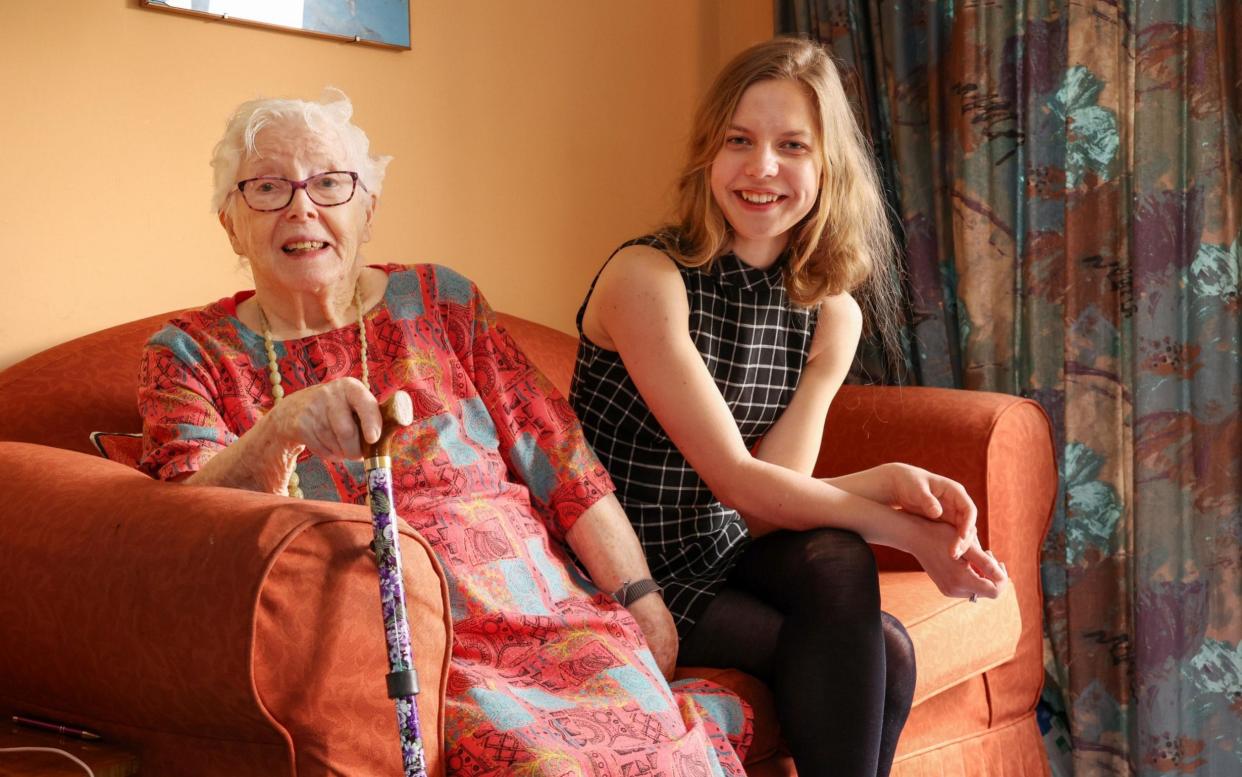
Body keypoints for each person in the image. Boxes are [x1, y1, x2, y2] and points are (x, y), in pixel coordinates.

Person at [137, 90, 752, 775]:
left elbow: (561, 459)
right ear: (230, 222)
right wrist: (280, 430)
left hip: (551, 618)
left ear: (366, 210)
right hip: (408, 648)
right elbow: (188, 530)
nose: (302, 207)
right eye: (268, 187)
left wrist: (641, 600)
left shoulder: (441, 302)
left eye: (330, 183)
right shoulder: (190, 354)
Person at [570, 37, 1010, 776]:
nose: (762, 167)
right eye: (739, 141)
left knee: (852, 588)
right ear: (708, 153)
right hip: (621, 573)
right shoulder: (646, 278)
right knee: (884, 646)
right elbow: (736, 480)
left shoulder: (831, 313)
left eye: (792, 145)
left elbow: (769, 509)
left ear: (825, 166)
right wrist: (906, 529)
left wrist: (891, 478)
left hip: (721, 555)